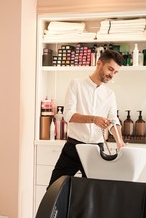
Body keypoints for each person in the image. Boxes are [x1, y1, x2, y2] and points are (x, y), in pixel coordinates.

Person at [48, 49, 125, 188]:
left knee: (92, 193)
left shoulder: (110, 94)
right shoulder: (76, 84)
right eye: (110, 69)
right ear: (99, 64)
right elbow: (68, 115)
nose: (112, 75)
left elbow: (114, 120)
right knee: (54, 189)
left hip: (96, 150)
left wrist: (119, 141)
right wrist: (94, 119)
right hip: (74, 147)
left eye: (115, 72)